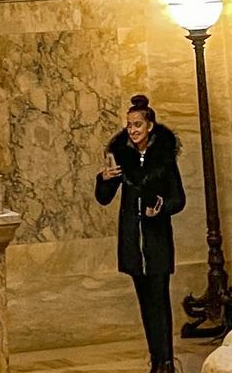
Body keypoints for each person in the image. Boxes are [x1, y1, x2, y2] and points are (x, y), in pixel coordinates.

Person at [95, 94, 186, 373]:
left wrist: (161, 207)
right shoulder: (123, 158)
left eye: (138, 125)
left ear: (150, 126)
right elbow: (104, 198)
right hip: (134, 244)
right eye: (130, 125)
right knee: (146, 305)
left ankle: (166, 362)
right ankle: (155, 359)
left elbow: (179, 199)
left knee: (159, 301)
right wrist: (104, 179)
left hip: (157, 243)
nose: (133, 130)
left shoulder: (164, 159)